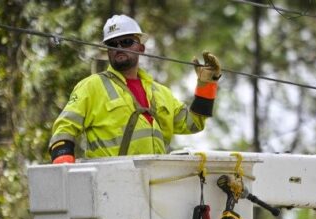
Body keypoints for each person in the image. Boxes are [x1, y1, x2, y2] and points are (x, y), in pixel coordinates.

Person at [49, 14, 222, 163]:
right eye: (112, 44)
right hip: (111, 185)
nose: (119, 48)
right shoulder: (91, 87)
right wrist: (63, 167)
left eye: (126, 41)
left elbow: (193, 124)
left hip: (156, 184)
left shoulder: (160, 93)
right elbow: (64, 129)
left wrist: (206, 84)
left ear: (141, 48)